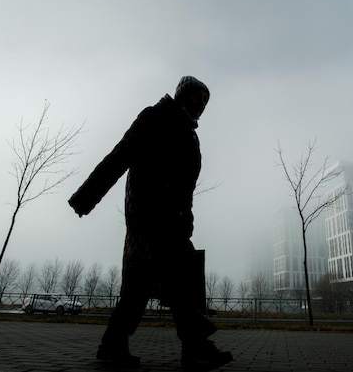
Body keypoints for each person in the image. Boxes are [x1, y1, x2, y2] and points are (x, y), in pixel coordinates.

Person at [68, 76, 232, 371]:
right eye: (197, 97)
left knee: (137, 288)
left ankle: (112, 345)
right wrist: (86, 197)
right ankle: (195, 348)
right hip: (149, 214)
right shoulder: (155, 117)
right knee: (184, 273)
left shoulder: (189, 134)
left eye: (205, 101)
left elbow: (186, 188)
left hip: (171, 219)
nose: (201, 105)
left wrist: (188, 218)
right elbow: (119, 156)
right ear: (182, 95)